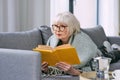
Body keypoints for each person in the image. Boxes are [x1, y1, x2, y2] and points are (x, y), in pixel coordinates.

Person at [42, 11, 100, 76]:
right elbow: (53, 66)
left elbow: (95, 69)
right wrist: (46, 69)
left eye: (62, 26)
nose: (57, 30)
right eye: (55, 26)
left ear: (71, 27)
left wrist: (75, 72)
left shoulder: (83, 40)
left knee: (109, 54)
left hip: (99, 56)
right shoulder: (52, 39)